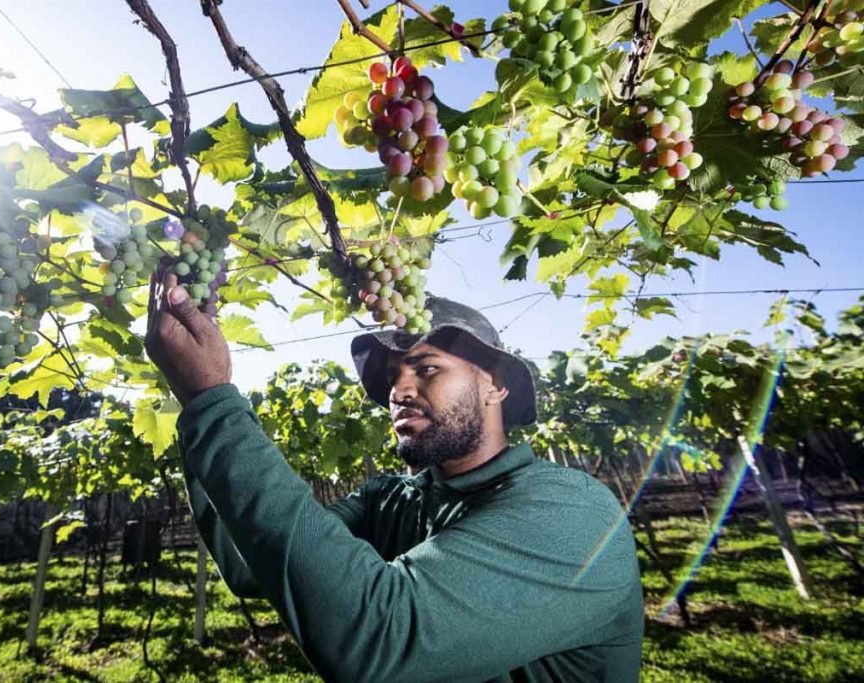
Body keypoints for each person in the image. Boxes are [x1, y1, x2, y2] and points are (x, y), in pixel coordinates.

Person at [145, 265, 644, 683]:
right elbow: (249, 562)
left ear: (495, 387)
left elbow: (380, 639)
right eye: (391, 378)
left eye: (426, 369)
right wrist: (197, 406)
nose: (398, 391)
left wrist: (213, 403)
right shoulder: (392, 499)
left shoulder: (572, 515)